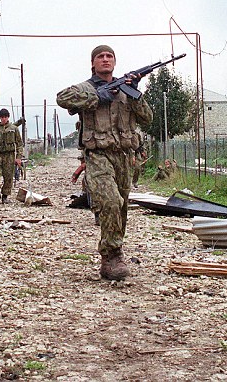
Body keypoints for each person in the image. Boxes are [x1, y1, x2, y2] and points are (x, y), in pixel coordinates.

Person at [57, 45, 153, 280]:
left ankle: (113, 255)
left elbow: (148, 118)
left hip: (123, 156)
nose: (105, 59)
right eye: (100, 56)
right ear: (93, 63)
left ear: (115, 62)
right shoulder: (86, 88)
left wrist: (135, 92)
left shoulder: (126, 90)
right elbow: (62, 97)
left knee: (120, 208)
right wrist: (97, 96)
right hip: (98, 155)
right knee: (110, 202)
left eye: (109, 56)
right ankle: (111, 255)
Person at [0, 108, 23, 203]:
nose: (3, 119)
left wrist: (18, 157)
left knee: (8, 175)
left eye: (5, 117)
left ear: (8, 117)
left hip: (9, 155)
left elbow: (19, 144)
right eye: (2, 117)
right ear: (0, 118)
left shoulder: (14, 129)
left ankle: (5, 196)